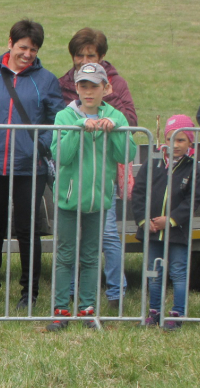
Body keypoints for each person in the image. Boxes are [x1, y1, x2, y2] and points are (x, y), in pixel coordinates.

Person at [46, 63, 136, 332]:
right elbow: (61, 156)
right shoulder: (64, 116)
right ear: (76, 88)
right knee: (64, 255)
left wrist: (115, 132)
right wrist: (79, 128)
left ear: (105, 88)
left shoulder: (116, 116)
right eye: (83, 85)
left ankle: (88, 309)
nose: (88, 91)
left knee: (90, 256)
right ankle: (60, 310)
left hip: (99, 201)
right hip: (68, 199)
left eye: (94, 86)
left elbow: (126, 155)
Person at [0, 19, 64, 310]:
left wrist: (39, 145)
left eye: (34, 49)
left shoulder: (47, 80)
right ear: (10, 43)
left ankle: (29, 293)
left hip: (31, 169)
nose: (28, 54)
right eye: (23, 47)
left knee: (28, 230)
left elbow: (58, 120)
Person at [59, 28, 137, 309]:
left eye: (89, 55)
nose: (82, 59)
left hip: (103, 175)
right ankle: (67, 297)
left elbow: (128, 119)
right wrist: (79, 124)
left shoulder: (118, 84)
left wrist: (110, 119)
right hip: (73, 177)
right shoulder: (64, 83)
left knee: (106, 236)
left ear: (102, 57)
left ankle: (115, 292)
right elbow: (59, 123)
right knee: (68, 246)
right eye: (78, 55)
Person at [132, 115, 200, 330]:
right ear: (164, 140)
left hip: (177, 231)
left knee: (179, 272)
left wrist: (170, 220)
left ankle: (177, 313)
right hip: (152, 230)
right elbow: (138, 193)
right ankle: (154, 312)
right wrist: (145, 221)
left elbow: (194, 200)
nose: (176, 145)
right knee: (154, 272)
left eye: (181, 140)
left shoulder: (193, 168)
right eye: (171, 139)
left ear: (190, 142)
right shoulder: (152, 163)